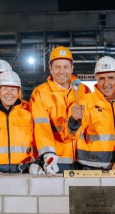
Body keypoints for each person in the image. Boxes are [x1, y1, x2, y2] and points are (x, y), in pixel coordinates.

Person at [63, 56, 115, 169]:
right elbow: (70, 135)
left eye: (111, 78)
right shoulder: (85, 101)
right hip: (89, 167)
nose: (106, 83)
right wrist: (73, 121)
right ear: (96, 79)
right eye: (102, 78)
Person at [29, 46, 91, 174]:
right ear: (50, 68)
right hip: (57, 161)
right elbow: (41, 128)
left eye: (66, 67)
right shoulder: (40, 92)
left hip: (84, 160)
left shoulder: (83, 90)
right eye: (57, 67)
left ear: (72, 68)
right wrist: (48, 155)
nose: (62, 71)